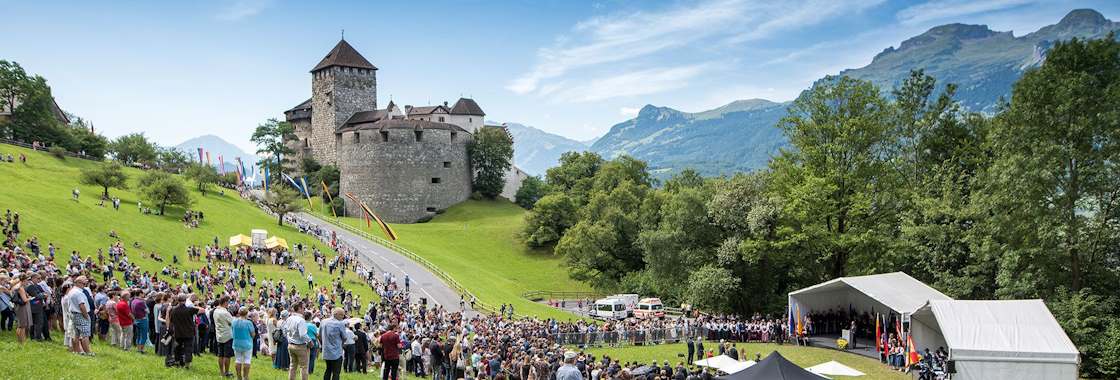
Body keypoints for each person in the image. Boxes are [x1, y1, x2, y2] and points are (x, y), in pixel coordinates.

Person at [169, 294, 199, 368]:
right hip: (188, 332)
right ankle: (187, 364)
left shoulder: (174, 310)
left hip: (178, 332)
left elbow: (171, 321)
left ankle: (177, 362)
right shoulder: (189, 309)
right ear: (185, 301)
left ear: (178, 301)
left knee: (177, 348)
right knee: (188, 348)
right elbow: (201, 310)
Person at [284, 302, 312, 380]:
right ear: (299, 309)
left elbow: (285, 330)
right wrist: (310, 341)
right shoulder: (301, 320)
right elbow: (302, 334)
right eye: (303, 308)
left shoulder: (289, 318)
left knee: (292, 366)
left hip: (291, 345)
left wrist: (289, 339)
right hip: (300, 346)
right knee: (304, 367)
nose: (304, 310)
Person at [66, 276, 92, 355]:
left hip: (74, 314)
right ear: (78, 283)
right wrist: (86, 316)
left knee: (76, 334)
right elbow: (81, 306)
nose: (84, 285)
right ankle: (88, 352)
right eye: (83, 284)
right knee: (85, 334)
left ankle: (77, 351)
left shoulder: (71, 291)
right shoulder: (79, 293)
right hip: (80, 314)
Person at [321, 308, 347, 380]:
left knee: (328, 369)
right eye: (342, 315)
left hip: (326, 350)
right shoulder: (340, 324)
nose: (342, 317)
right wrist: (342, 344)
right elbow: (344, 337)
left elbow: (319, 335)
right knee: (336, 372)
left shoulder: (323, 321)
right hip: (336, 351)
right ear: (336, 314)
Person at [232, 307, 256, 380]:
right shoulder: (249, 322)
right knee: (247, 360)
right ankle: (245, 377)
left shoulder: (234, 321)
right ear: (247, 313)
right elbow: (253, 334)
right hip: (247, 343)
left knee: (238, 360)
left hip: (236, 343)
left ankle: (239, 377)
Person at [214, 296, 235, 377]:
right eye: (228, 302)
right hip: (227, 335)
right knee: (227, 355)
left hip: (219, 335)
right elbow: (232, 322)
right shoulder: (225, 312)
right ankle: (226, 372)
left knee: (220, 355)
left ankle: (221, 372)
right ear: (225, 302)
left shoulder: (216, 311)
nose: (228, 304)